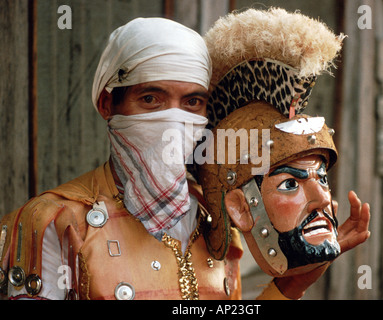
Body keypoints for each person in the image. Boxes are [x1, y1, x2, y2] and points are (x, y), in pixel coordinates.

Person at [0, 17, 244, 300]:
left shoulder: (216, 217)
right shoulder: (54, 223)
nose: (174, 122)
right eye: (151, 99)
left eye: (192, 102)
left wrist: (288, 288)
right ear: (107, 104)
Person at [197, 8, 370, 299]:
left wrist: (296, 282)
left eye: (323, 178)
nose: (324, 198)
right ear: (240, 207)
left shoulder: (231, 258)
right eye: (290, 184)